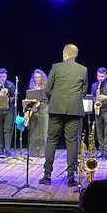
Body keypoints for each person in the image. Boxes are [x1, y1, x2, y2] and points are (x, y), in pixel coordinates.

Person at [39, 44, 88, 187]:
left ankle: (47, 175)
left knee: (51, 140)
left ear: (65, 54)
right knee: (72, 142)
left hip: (56, 108)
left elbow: (47, 89)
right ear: (75, 55)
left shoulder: (56, 67)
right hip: (74, 109)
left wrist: (54, 99)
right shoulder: (83, 69)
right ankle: (71, 177)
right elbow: (83, 90)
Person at [26, 68, 49, 157]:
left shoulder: (45, 87)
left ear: (42, 78)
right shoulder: (31, 87)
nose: (37, 79)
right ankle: (33, 152)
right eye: (35, 77)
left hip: (43, 109)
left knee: (43, 132)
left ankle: (43, 152)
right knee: (34, 132)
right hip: (34, 110)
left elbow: (47, 99)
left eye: (39, 77)